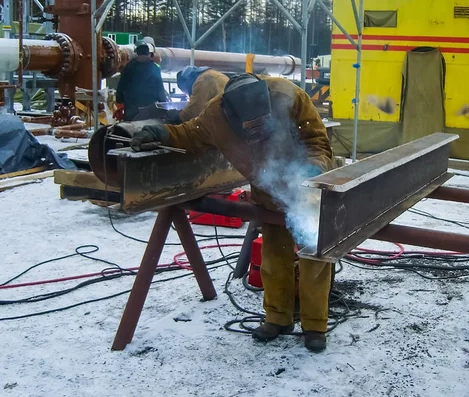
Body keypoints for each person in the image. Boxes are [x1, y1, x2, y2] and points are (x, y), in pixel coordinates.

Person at [130, 74, 334, 352]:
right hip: (268, 190)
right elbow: (190, 134)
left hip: (307, 187)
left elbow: (317, 141)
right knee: (274, 255)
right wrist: (160, 132)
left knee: (314, 256)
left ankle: (315, 326)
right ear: (231, 113)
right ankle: (278, 318)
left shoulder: (288, 95)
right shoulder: (215, 114)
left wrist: (310, 172)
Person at [113, 43, 167, 121]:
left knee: (130, 129)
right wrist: (163, 103)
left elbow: (122, 85)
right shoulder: (155, 68)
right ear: (148, 53)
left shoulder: (129, 66)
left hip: (132, 106)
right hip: (150, 107)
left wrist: (119, 100)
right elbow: (160, 88)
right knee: (147, 129)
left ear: (137, 53)